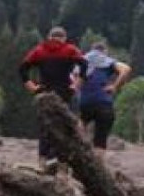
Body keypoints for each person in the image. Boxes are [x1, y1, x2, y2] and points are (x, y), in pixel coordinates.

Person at [20, 26, 89, 171]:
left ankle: (42, 162)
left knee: (45, 127)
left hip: (45, 92)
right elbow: (84, 63)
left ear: (49, 37)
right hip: (64, 92)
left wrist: (32, 86)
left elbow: (23, 68)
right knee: (65, 127)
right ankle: (62, 165)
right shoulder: (69, 49)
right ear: (63, 38)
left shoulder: (39, 50)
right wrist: (77, 84)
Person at [78, 43, 131, 156]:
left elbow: (73, 76)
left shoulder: (83, 60)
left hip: (85, 102)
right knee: (100, 140)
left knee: (81, 123)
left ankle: (79, 147)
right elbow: (126, 69)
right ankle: (97, 167)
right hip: (104, 103)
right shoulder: (106, 61)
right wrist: (115, 86)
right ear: (104, 51)